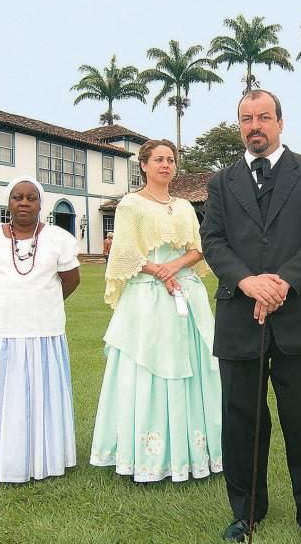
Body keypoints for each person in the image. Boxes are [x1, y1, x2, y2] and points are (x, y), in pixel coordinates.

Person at [200, 90, 301, 544]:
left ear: (280, 122)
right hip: (240, 315)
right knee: (241, 421)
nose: (255, 126)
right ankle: (245, 513)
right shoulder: (221, 183)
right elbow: (213, 239)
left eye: (263, 117)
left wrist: (282, 283)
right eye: (246, 119)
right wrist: (247, 281)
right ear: (239, 126)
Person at [89, 139, 222, 482]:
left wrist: (174, 267)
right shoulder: (130, 204)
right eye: (159, 159)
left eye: (170, 160)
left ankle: (195, 451)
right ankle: (145, 455)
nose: (165, 165)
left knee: (196, 365)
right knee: (148, 366)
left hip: (185, 292)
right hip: (147, 295)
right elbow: (124, 252)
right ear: (144, 165)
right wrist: (160, 272)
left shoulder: (185, 207)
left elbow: (199, 248)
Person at [0, 175, 80, 483]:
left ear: (40, 204)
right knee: (5, 395)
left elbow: (71, 280)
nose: (25, 203)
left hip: (44, 331)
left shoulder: (58, 239)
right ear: (9, 202)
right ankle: (3, 456)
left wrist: (41, 301)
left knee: (42, 395)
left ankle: (46, 456)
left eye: (31, 198)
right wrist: (6, 302)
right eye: (18, 197)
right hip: (1, 332)